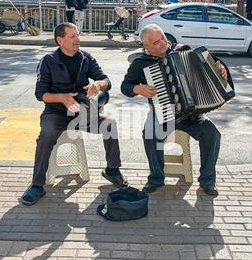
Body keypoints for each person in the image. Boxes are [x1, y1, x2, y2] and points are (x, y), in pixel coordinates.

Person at [20, 23, 128, 206]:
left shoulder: (86, 58)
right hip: (56, 113)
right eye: (72, 36)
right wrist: (62, 98)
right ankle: (37, 185)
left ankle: (112, 169)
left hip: (82, 112)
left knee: (110, 124)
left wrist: (98, 85)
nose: (78, 39)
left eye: (77, 35)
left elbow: (106, 81)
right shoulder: (48, 60)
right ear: (60, 40)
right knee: (45, 136)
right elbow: (40, 94)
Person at [121, 24, 231, 197]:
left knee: (212, 133)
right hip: (162, 113)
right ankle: (156, 178)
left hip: (191, 115)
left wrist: (221, 70)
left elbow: (212, 66)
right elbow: (125, 87)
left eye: (163, 38)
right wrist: (137, 89)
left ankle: (207, 181)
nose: (163, 43)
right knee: (149, 133)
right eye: (156, 42)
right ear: (146, 47)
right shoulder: (140, 64)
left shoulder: (183, 52)